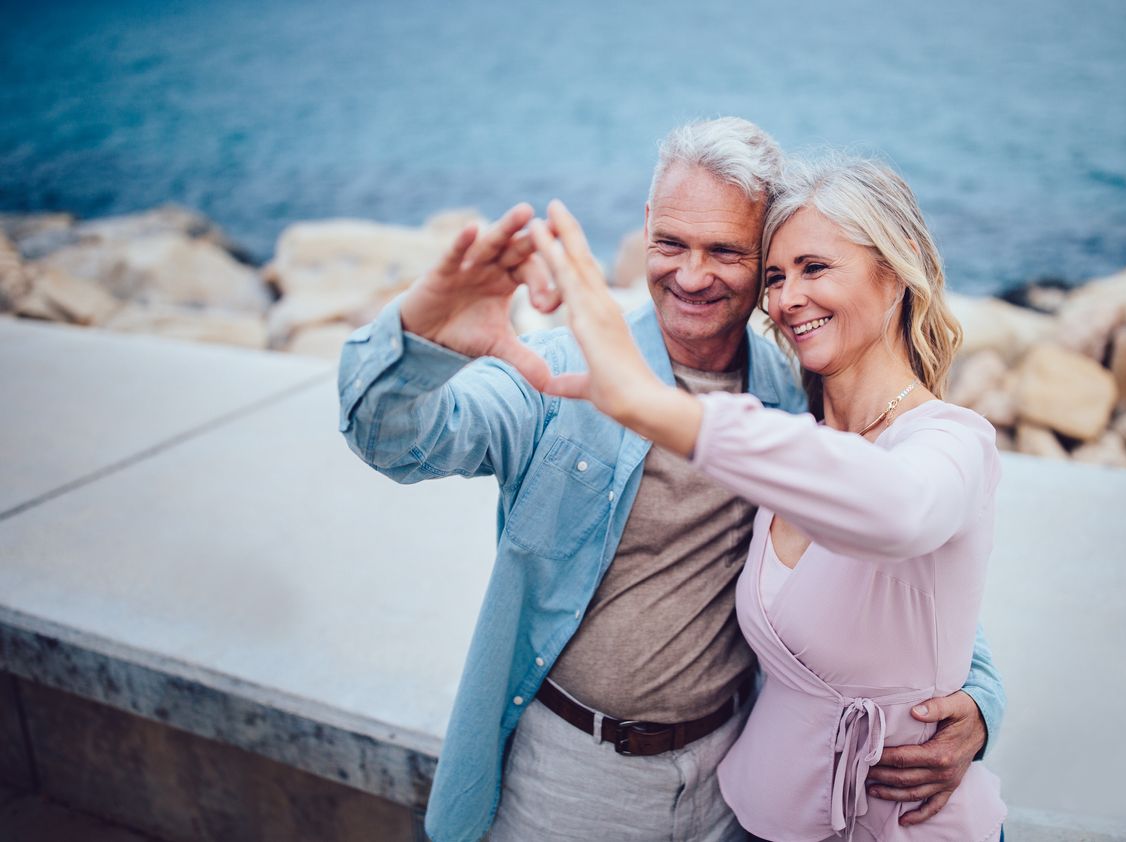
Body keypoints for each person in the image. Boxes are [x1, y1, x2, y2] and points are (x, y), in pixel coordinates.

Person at [337, 119, 1005, 842]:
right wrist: (423, 334)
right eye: (671, 245)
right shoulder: (560, 370)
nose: (691, 275)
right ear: (646, 228)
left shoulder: (793, 395)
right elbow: (396, 442)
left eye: (726, 252)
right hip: (571, 776)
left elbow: (900, 571)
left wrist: (977, 696)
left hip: (727, 782)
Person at [524, 153, 1006, 841]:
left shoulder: (953, 443)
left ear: (895, 273)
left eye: (815, 268)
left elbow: (902, 515)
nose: (786, 300)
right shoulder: (790, 428)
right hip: (749, 821)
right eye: (775, 277)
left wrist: (656, 407)